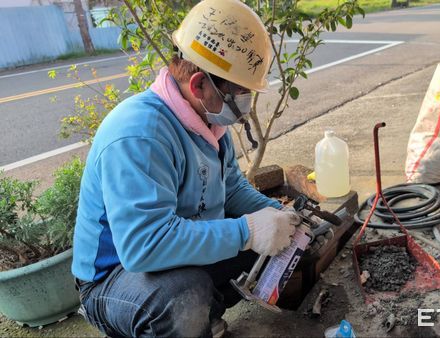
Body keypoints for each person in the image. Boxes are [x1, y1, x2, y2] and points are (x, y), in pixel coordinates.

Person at [71, 0, 301, 336]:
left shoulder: (210, 124)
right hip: (114, 277)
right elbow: (144, 246)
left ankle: (201, 320)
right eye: (239, 93)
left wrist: (281, 218)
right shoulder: (139, 134)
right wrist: (247, 232)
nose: (245, 104)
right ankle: (186, 320)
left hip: (172, 250)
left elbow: (233, 189)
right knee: (183, 295)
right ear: (198, 85)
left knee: (272, 247)